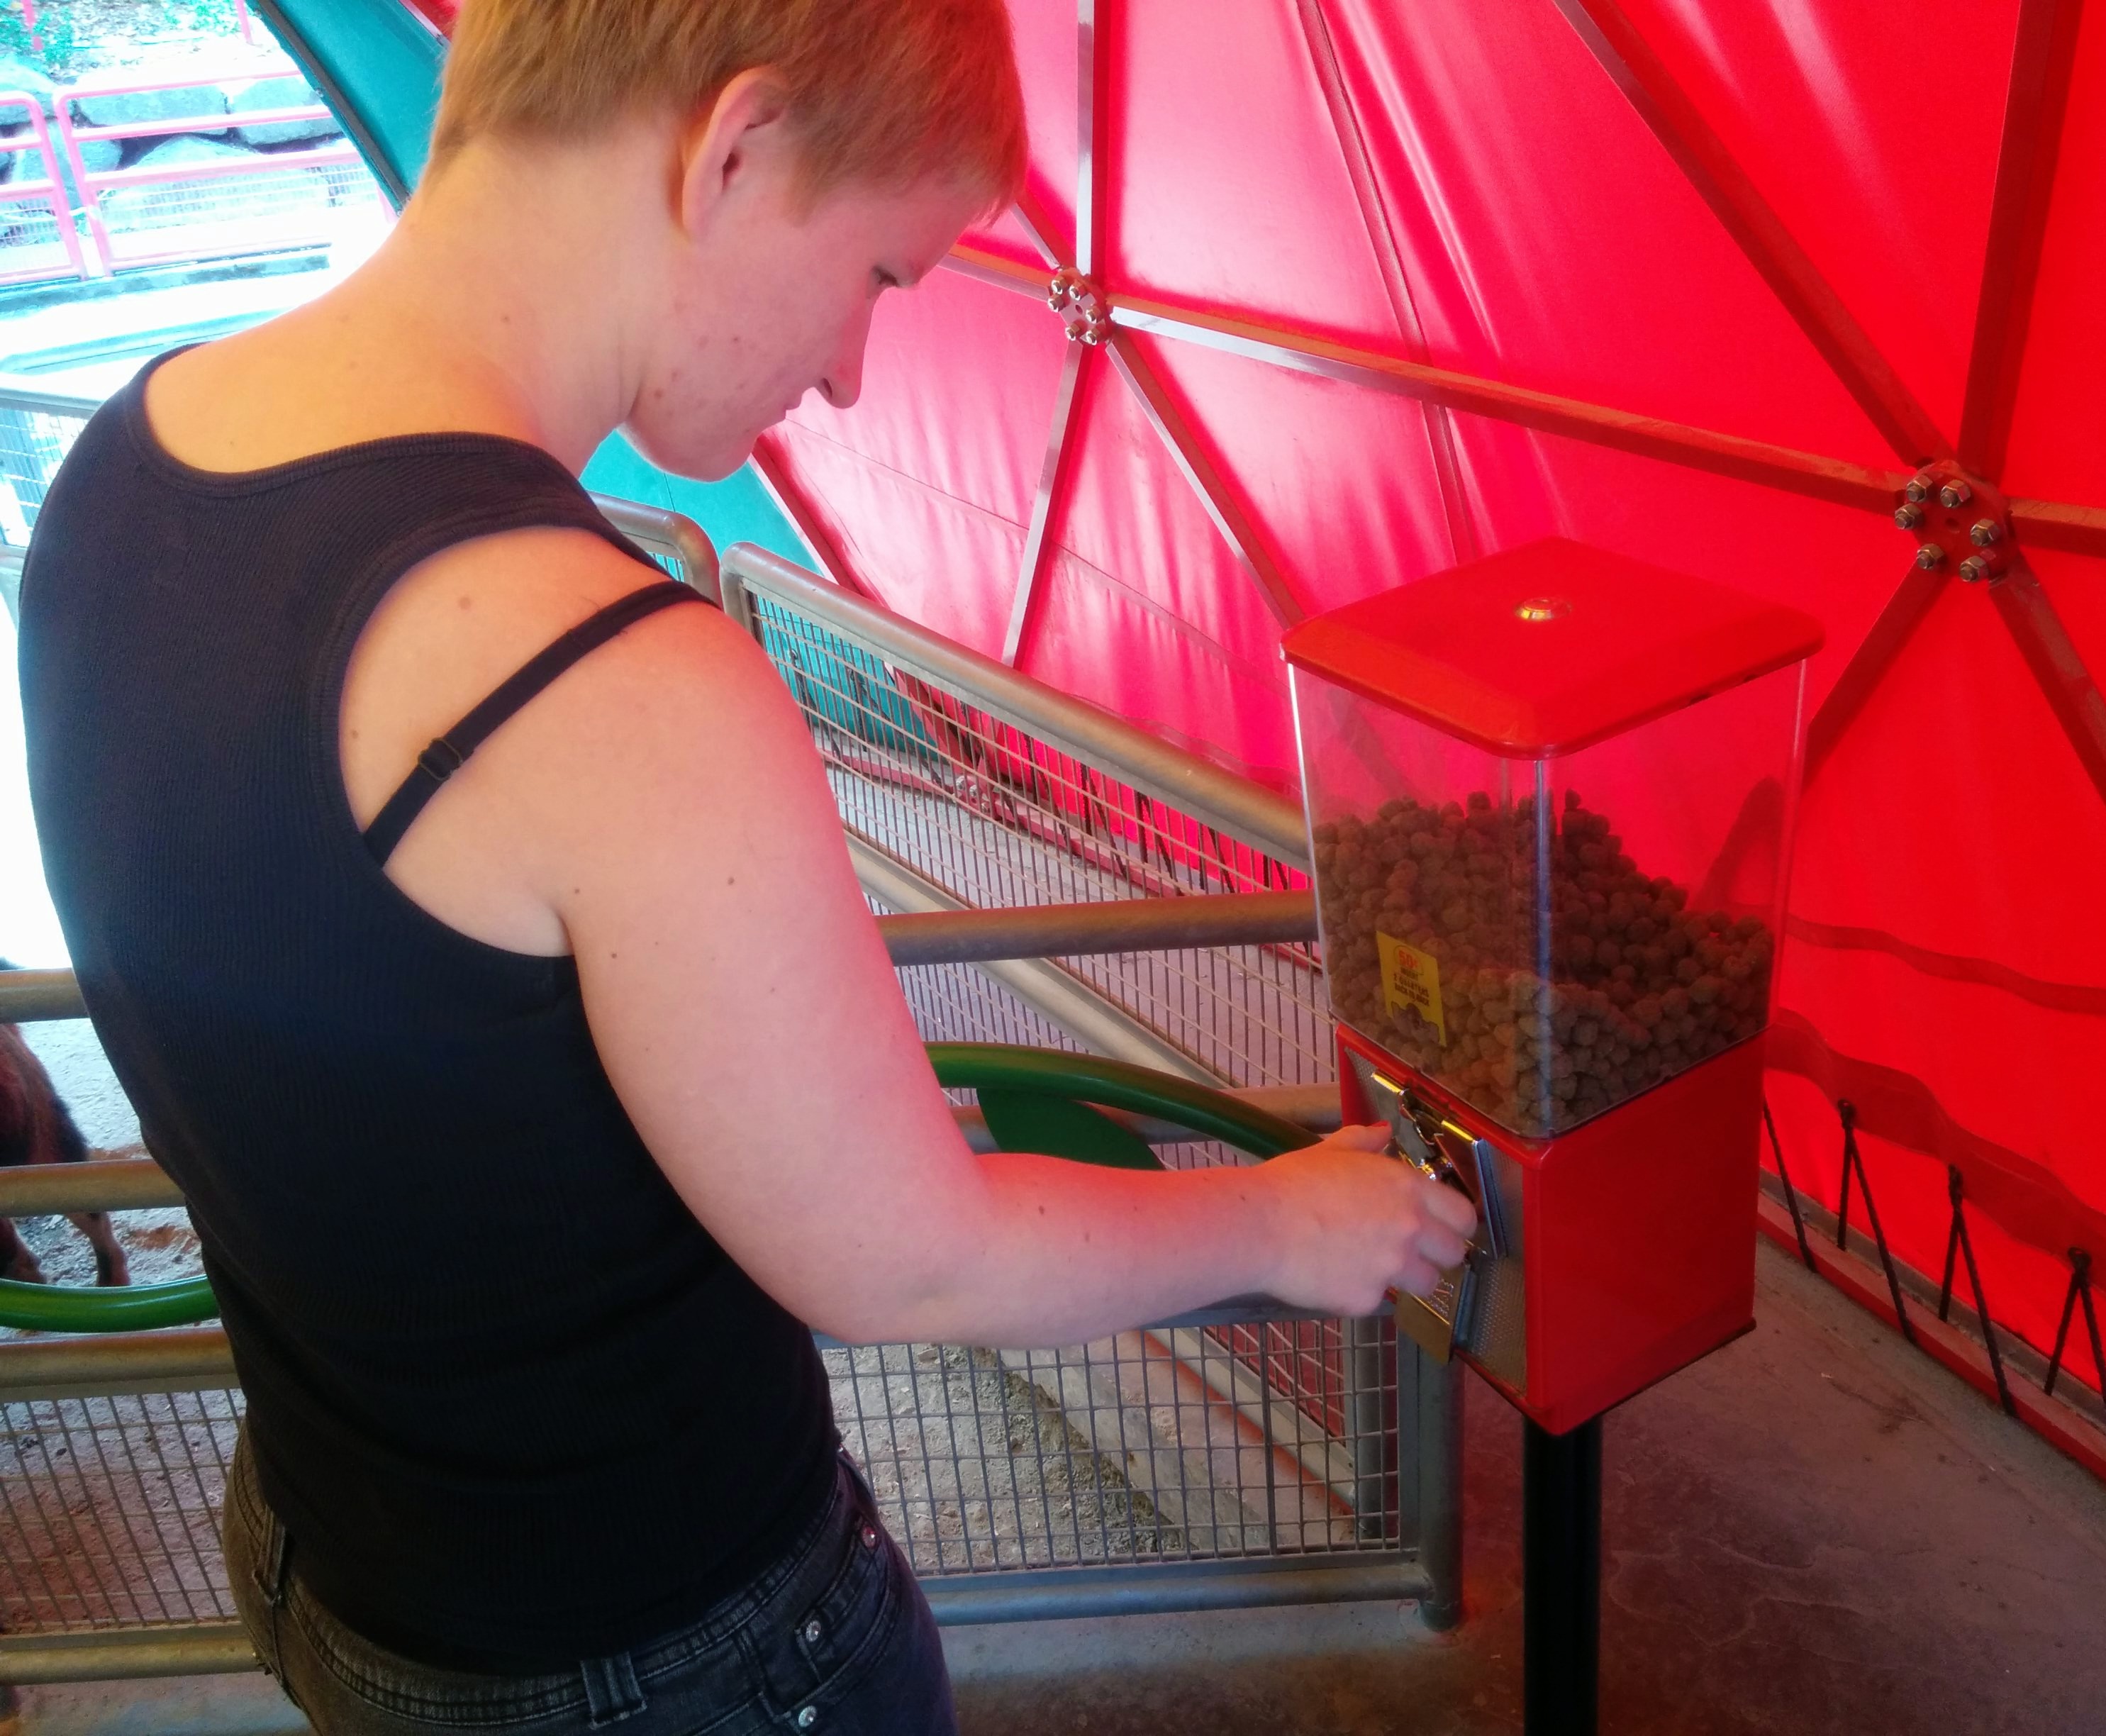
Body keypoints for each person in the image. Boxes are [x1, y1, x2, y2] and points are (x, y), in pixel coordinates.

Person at [16, 1, 1478, 1731]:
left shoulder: (123, 463)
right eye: (880, 276)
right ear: (737, 149)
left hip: (335, 1554)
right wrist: (1285, 1219)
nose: (851, 373)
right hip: (651, 1653)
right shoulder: (603, 678)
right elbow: (905, 1256)